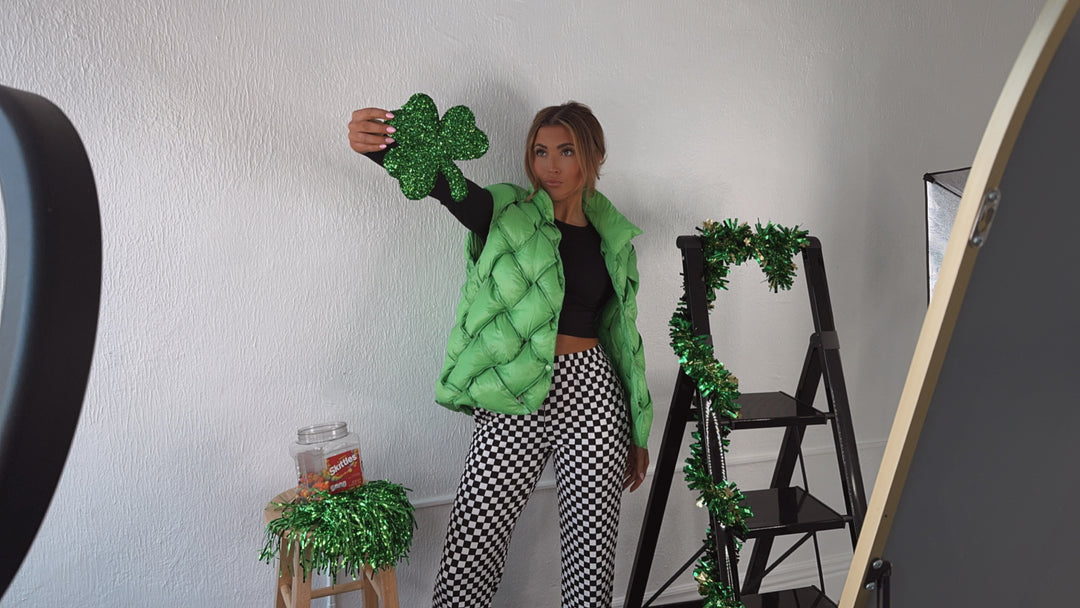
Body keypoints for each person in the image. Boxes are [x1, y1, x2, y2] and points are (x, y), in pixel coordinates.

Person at [348, 99, 652, 608]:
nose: (550, 165)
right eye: (540, 151)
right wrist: (377, 147)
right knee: (473, 542)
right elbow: (446, 186)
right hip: (513, 393)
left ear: (594, 156)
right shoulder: (507, 211)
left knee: (592, 556)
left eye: (566, 151)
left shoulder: (613, 236)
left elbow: (623, 338)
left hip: (594, 394)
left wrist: (637, 432)